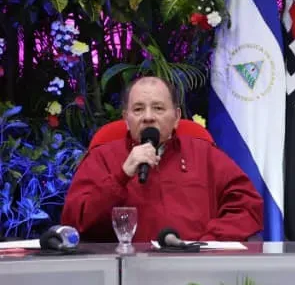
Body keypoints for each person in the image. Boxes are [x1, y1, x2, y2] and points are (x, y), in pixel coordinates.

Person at [62, 75, 263, 242]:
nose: (148, 117)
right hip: (124, 273)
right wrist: (121, 176)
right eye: (138, 109)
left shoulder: (203, 153)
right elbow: (74, 223)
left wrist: (207, 243)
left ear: (176, 117)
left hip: (197, 270)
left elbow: (248, 207)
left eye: (158, 108)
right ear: (126, 118)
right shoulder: (103, 156)